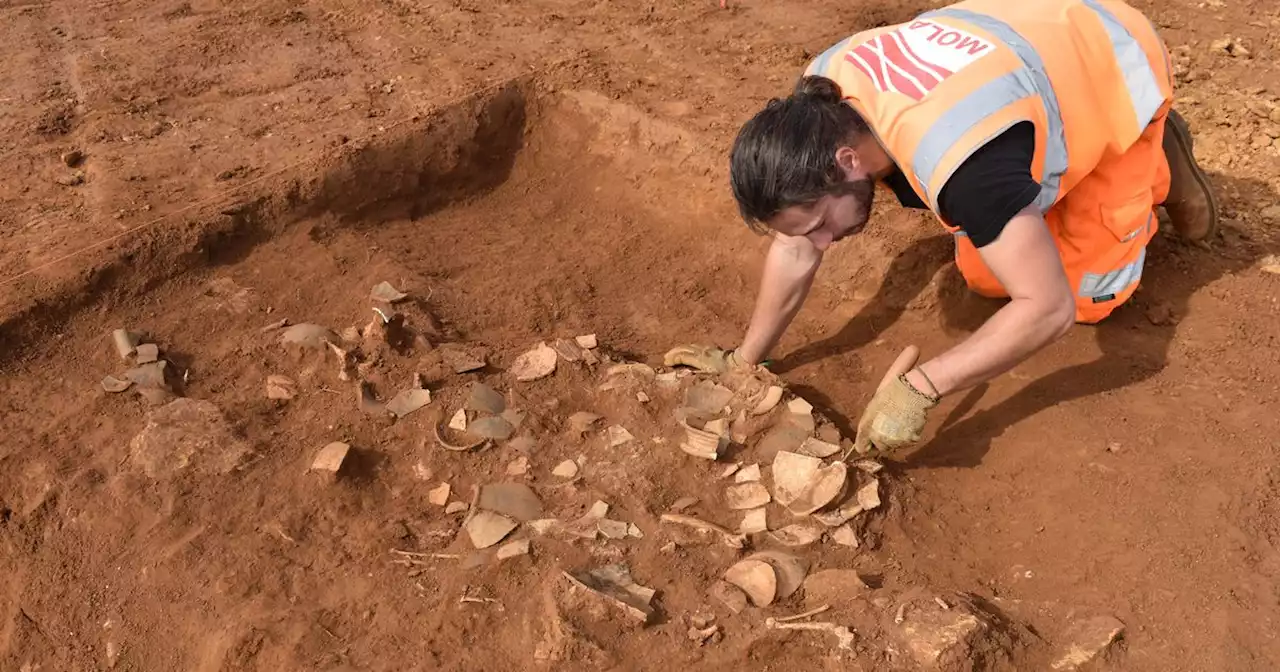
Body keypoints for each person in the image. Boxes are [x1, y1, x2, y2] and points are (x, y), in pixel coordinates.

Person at [664, 0, 1219, 454]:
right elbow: (795, 245)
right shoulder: (821, 93)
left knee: (1086, 295)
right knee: (984, 276)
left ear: (847, 161)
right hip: (1018, 38)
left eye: (818, 224)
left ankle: (1154, 144)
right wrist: (745, 360)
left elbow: (1048, 309)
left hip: (1110, 54)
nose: (822, 242)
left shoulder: (962, 164)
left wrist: (920, 389)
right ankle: (1034, 178)